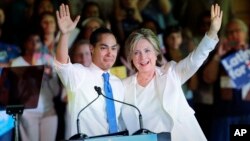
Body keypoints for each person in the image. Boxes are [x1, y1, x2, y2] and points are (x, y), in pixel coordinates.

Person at [121, 4, 223, 141]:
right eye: (136, 53)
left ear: (157, 52)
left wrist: (212, 32)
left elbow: (195, 59)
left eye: (147, 51)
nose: (142, 57)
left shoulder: (171, 72)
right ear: (131, 57)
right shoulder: (123, 86)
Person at [54, 4, 124, 137]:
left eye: (113, 48)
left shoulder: (118, 83)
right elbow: (62, 63)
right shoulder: (80, 74)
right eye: (104, 48)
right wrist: (65, 34)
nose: (110, 53)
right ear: (92, 49)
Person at [204, 18, 250, 141]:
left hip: (247, 113)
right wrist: (218, 56)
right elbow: (208, 78)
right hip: (224, 115)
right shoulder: (220, 53)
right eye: (229, 32)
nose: (233, 35)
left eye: (237, 31)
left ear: (245, 33)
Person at [11, 30, 60, 141]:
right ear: (24, 43)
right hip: (27, 113)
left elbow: (56, 92)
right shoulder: (17, 63)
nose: (34, 44)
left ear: (41, 43)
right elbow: (16, 94)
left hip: (49, 112)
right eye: (30, 41)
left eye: (37, 41)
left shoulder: (49, 60)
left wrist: (50, 77)